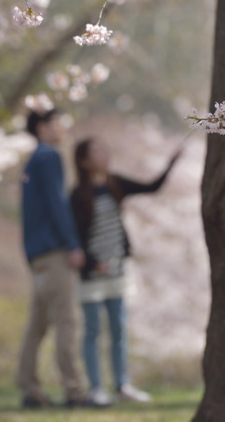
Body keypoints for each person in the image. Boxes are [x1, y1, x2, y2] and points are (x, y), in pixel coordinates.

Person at [71, 136, 181, 407]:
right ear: (83, 160)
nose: (102, 155)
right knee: (93, 329)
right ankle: (96, 388)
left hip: (117, 266)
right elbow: (75, 233)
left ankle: (122, 385)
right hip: (92, 271)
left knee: (119, 328)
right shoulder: (78, 194)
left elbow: (151, 187)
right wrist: (92, 261)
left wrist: (172, 162)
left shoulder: (114, 183)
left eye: (102, 150)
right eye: (95, 152)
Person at [16, 107, 91, 410]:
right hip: (53, 251)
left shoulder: (34, 161)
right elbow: (57, 203)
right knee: (66, 321)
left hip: (38, 254)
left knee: (37, 326)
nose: (61, 128)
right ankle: (75, 391)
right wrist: (72, 243)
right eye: (56, 123)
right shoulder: (48, 157)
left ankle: (30, 388)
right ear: (42, 127)